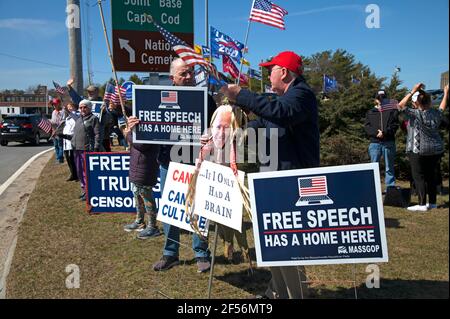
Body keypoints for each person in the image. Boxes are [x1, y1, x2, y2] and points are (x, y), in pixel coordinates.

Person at [221, 51, 319, 299]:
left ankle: (297, 294)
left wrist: (241, 94)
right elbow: (265, 122)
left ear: (283, 72)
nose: (267, 74)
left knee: (288, 244)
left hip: (294, 184)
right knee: (273, 242)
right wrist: (233, 131)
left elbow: (279, 113)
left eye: (270, 69)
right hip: (275, 181)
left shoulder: (301, 95)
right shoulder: (284, 99)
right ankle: (276, 289)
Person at [152, 58, 217, 273]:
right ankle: (170, 254)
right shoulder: (157, 99)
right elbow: (149, 128)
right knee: (170, 208)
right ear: (172, 78)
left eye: (191, 72)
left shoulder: (206, 99)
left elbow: (216, 128)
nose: (189, 77)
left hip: (198, 162)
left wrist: (211, 136)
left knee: (199, 208)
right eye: (183, 74)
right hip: (169, 163)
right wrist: (134, 126)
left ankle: (201, 253)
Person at [398, 83, 448, 211]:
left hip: (418, 149)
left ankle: (421, 204)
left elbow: (400, 105)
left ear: (417, 103)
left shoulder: (415, 114)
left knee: (418, 176)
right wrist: (446, 93)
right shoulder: (435, 113)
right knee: (431, 176)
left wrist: (413, 90)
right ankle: (432, 203)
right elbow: (442, 107)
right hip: (435, 149)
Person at [122, 116, 161, 239]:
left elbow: (143, 144)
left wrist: (127, 134)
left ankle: (152, 226)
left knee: (146, 196)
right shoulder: (142, 124)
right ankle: (139, 221)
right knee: (137, 194)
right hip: (136, 166)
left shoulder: (154, 127)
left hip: (146, 167)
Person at [364, 90, 399, 189]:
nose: (381, 100)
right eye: (379, 98)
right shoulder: (370, 112)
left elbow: (395, 126)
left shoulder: (392, 111)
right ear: (375, 100)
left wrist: (384, 133)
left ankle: (390, 188)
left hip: (388, 142)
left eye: (383, 98)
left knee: (389, 167)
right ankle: (374, 189)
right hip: (375, 143)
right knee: (374, 167)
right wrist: (376, 133)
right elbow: (367, 127)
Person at [71, 100, 101, 201]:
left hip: (87, 149)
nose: (83, 109)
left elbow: (97, 134)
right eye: (81, 107)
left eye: (85, 107)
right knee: (79, 171)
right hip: (76, 149)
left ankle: (88, 192)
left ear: (89, 108)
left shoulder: (93, 119)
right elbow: (76, 134)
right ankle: (83, 190)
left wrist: (96, 147)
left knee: (86, 172)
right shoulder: (79, 119)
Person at [59, 102, 80, 181]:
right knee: (68, 159)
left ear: (74, 107)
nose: (68, 108)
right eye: (68, 107)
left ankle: (77, 175)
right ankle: (72, 174)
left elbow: (74, 116)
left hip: (72, 139)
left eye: (70, 107)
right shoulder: (67, 117)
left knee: (73, 159)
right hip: (66, 140)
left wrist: (68, 111)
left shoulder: (77, 115)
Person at [49, 98, 64, 164]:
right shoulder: (53, 112)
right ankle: (58, 157)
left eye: (55, 104)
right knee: (56, 146)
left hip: (60, 131)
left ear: (59, 104)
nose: (54, 105)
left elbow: (63, 121)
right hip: (54, 131)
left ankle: (60, 158)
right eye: (53, 104)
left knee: (60, 145)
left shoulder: (62, 111)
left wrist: (56, 122)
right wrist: (50, 121)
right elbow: (53, 120)